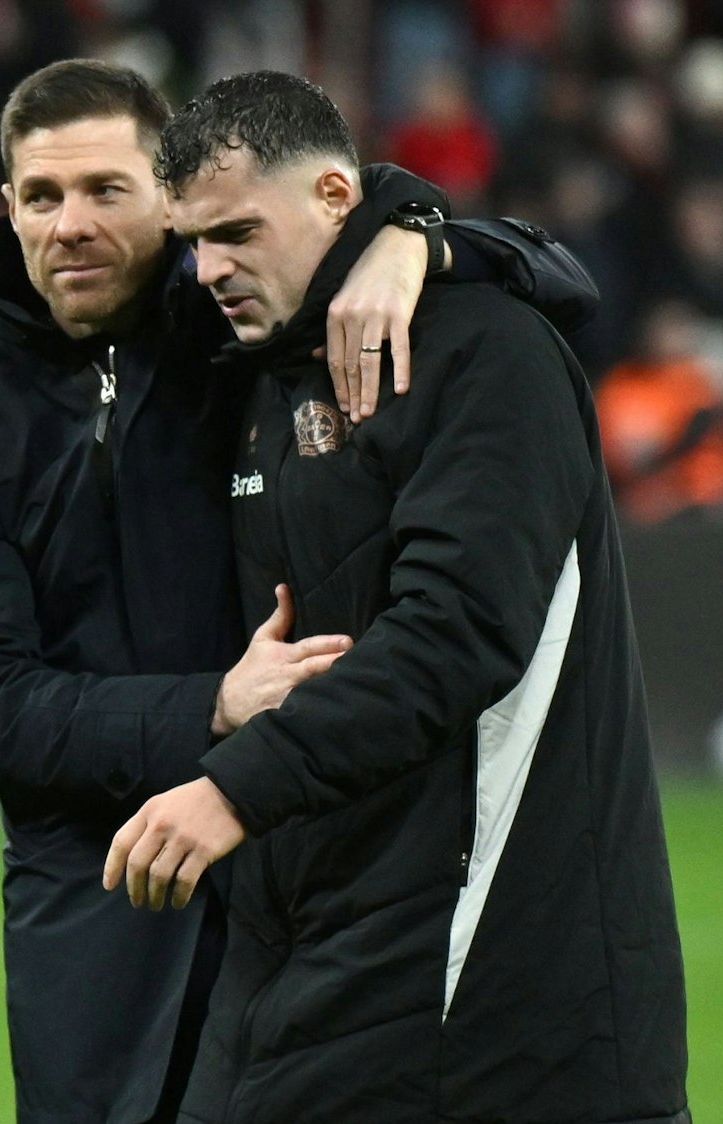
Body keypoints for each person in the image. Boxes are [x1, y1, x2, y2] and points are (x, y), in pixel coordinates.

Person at [0, 61, 601, 1124]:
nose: (71, 223)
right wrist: (212, 710)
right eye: (42, 197)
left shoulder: (239, 326)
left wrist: (418, 238)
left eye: (106, 192)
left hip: (306, 894)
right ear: (7, 207)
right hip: (102, 926)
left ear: (168, 196)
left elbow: (550, 277)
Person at [104, 71, 691, 1123]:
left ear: (335, 200)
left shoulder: (484, 351)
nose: (211, 268)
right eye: (195, 240)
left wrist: (232, 786)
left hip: (482, 976)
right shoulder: (257, 375)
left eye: (237, 230)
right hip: (309, 953)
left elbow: (455, 633)